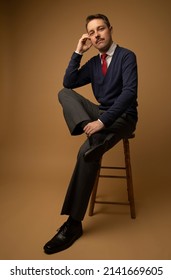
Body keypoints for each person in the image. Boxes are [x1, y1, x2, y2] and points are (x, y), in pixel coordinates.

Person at [43, 14, 138, 254]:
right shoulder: (95, 63)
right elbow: (69, 81)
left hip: (124, 118)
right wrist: (78, 52)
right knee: (64, 93)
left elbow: (129, 94)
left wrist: (102, 121)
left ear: (110, 29)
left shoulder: (127, 56)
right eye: (92, 32)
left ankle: (73, 224)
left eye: (101, 29)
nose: (97, 35)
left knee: (87, 151)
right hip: (101, 116)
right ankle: (92, 135)